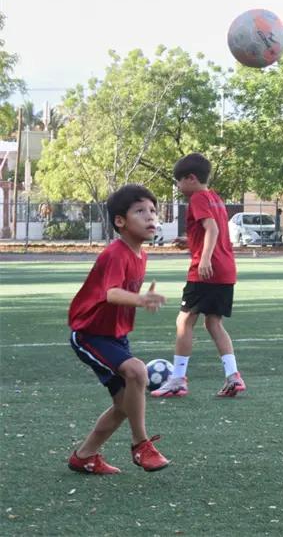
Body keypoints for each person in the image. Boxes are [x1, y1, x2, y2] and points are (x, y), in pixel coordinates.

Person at [68, 184, 169, 474]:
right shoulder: (115, 253)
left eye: (153, 211)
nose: (150, 217)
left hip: (115, 337)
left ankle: (84, 455)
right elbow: (111, 293)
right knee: (137, 370)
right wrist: (140, 299)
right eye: (140, 211)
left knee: (125, 406)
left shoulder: (141, 255)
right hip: (89, 334)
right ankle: (140, 445)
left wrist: (137, 302)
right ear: (120, 222)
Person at [152, 153, 245, 398]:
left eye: (179, 181)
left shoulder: (197, 198)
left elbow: (211, 228)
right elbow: (212, 230)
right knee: (213, 323)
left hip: (207, 271)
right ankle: (233, 376)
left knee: (184, 322)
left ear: (191, 178)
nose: (179, 186)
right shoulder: (215, 198)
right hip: (226, 270)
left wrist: (203, 259)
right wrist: (190, 241)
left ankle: (178, 379)